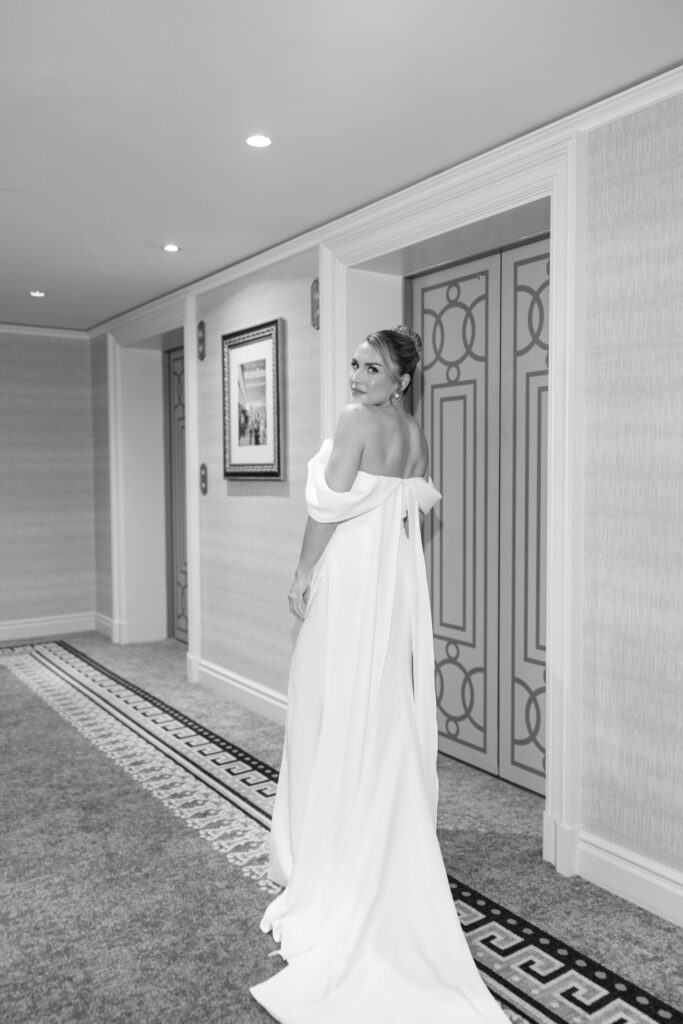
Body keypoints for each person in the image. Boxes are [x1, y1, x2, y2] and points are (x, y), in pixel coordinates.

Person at [251, 327, 509, 1023]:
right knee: (376, 707)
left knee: (329, 703)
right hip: (390, 582)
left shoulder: (354, 422)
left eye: (372, 368)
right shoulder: (413, 431)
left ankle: (328, 856)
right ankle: (371, 833)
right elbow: (404, 510)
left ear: (399, 380)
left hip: (349, 576)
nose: (357, 375)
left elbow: (325, 511)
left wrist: (303, 572)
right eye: (355, 364)